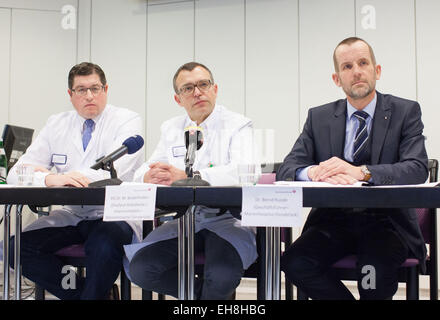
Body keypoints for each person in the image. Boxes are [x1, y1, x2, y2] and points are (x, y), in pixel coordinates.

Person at [277, 37, 428, 300]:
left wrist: (362, 172)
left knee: (373, 273)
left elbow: (416, 168)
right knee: (295, 263)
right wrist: (312, 172)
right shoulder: (319, 117)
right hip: (333, 221)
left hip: (386, 223)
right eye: (346, 67)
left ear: (376, 71)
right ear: (337, 79)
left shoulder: (405, 111)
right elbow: (288, 168)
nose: (356, 71)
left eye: (362, 63)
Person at [7, 62, 144, 299]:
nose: (89, 96)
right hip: (73, 214)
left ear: (106, 89)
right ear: (70, 95)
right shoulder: (56, 124)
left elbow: (110, 174)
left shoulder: (126, 120)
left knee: (101, 248)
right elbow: (16, 174)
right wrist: (50, 178)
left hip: (114, 214)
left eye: (95, 88)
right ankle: (89, 295)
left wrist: (61, 176)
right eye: (81, 90)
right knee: (14, 248)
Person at [125, 62, 258, 300]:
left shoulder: (238, 125)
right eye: (188, 88)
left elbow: (244, 172)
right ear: (178, 99)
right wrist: (147, 175)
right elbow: (148, 167)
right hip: (182, 221)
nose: (197, 92)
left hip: (228, 220)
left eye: (203, 84)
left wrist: (191, 177)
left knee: (221, 277)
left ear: (214, 89)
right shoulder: (171, 128)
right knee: (140, 269)